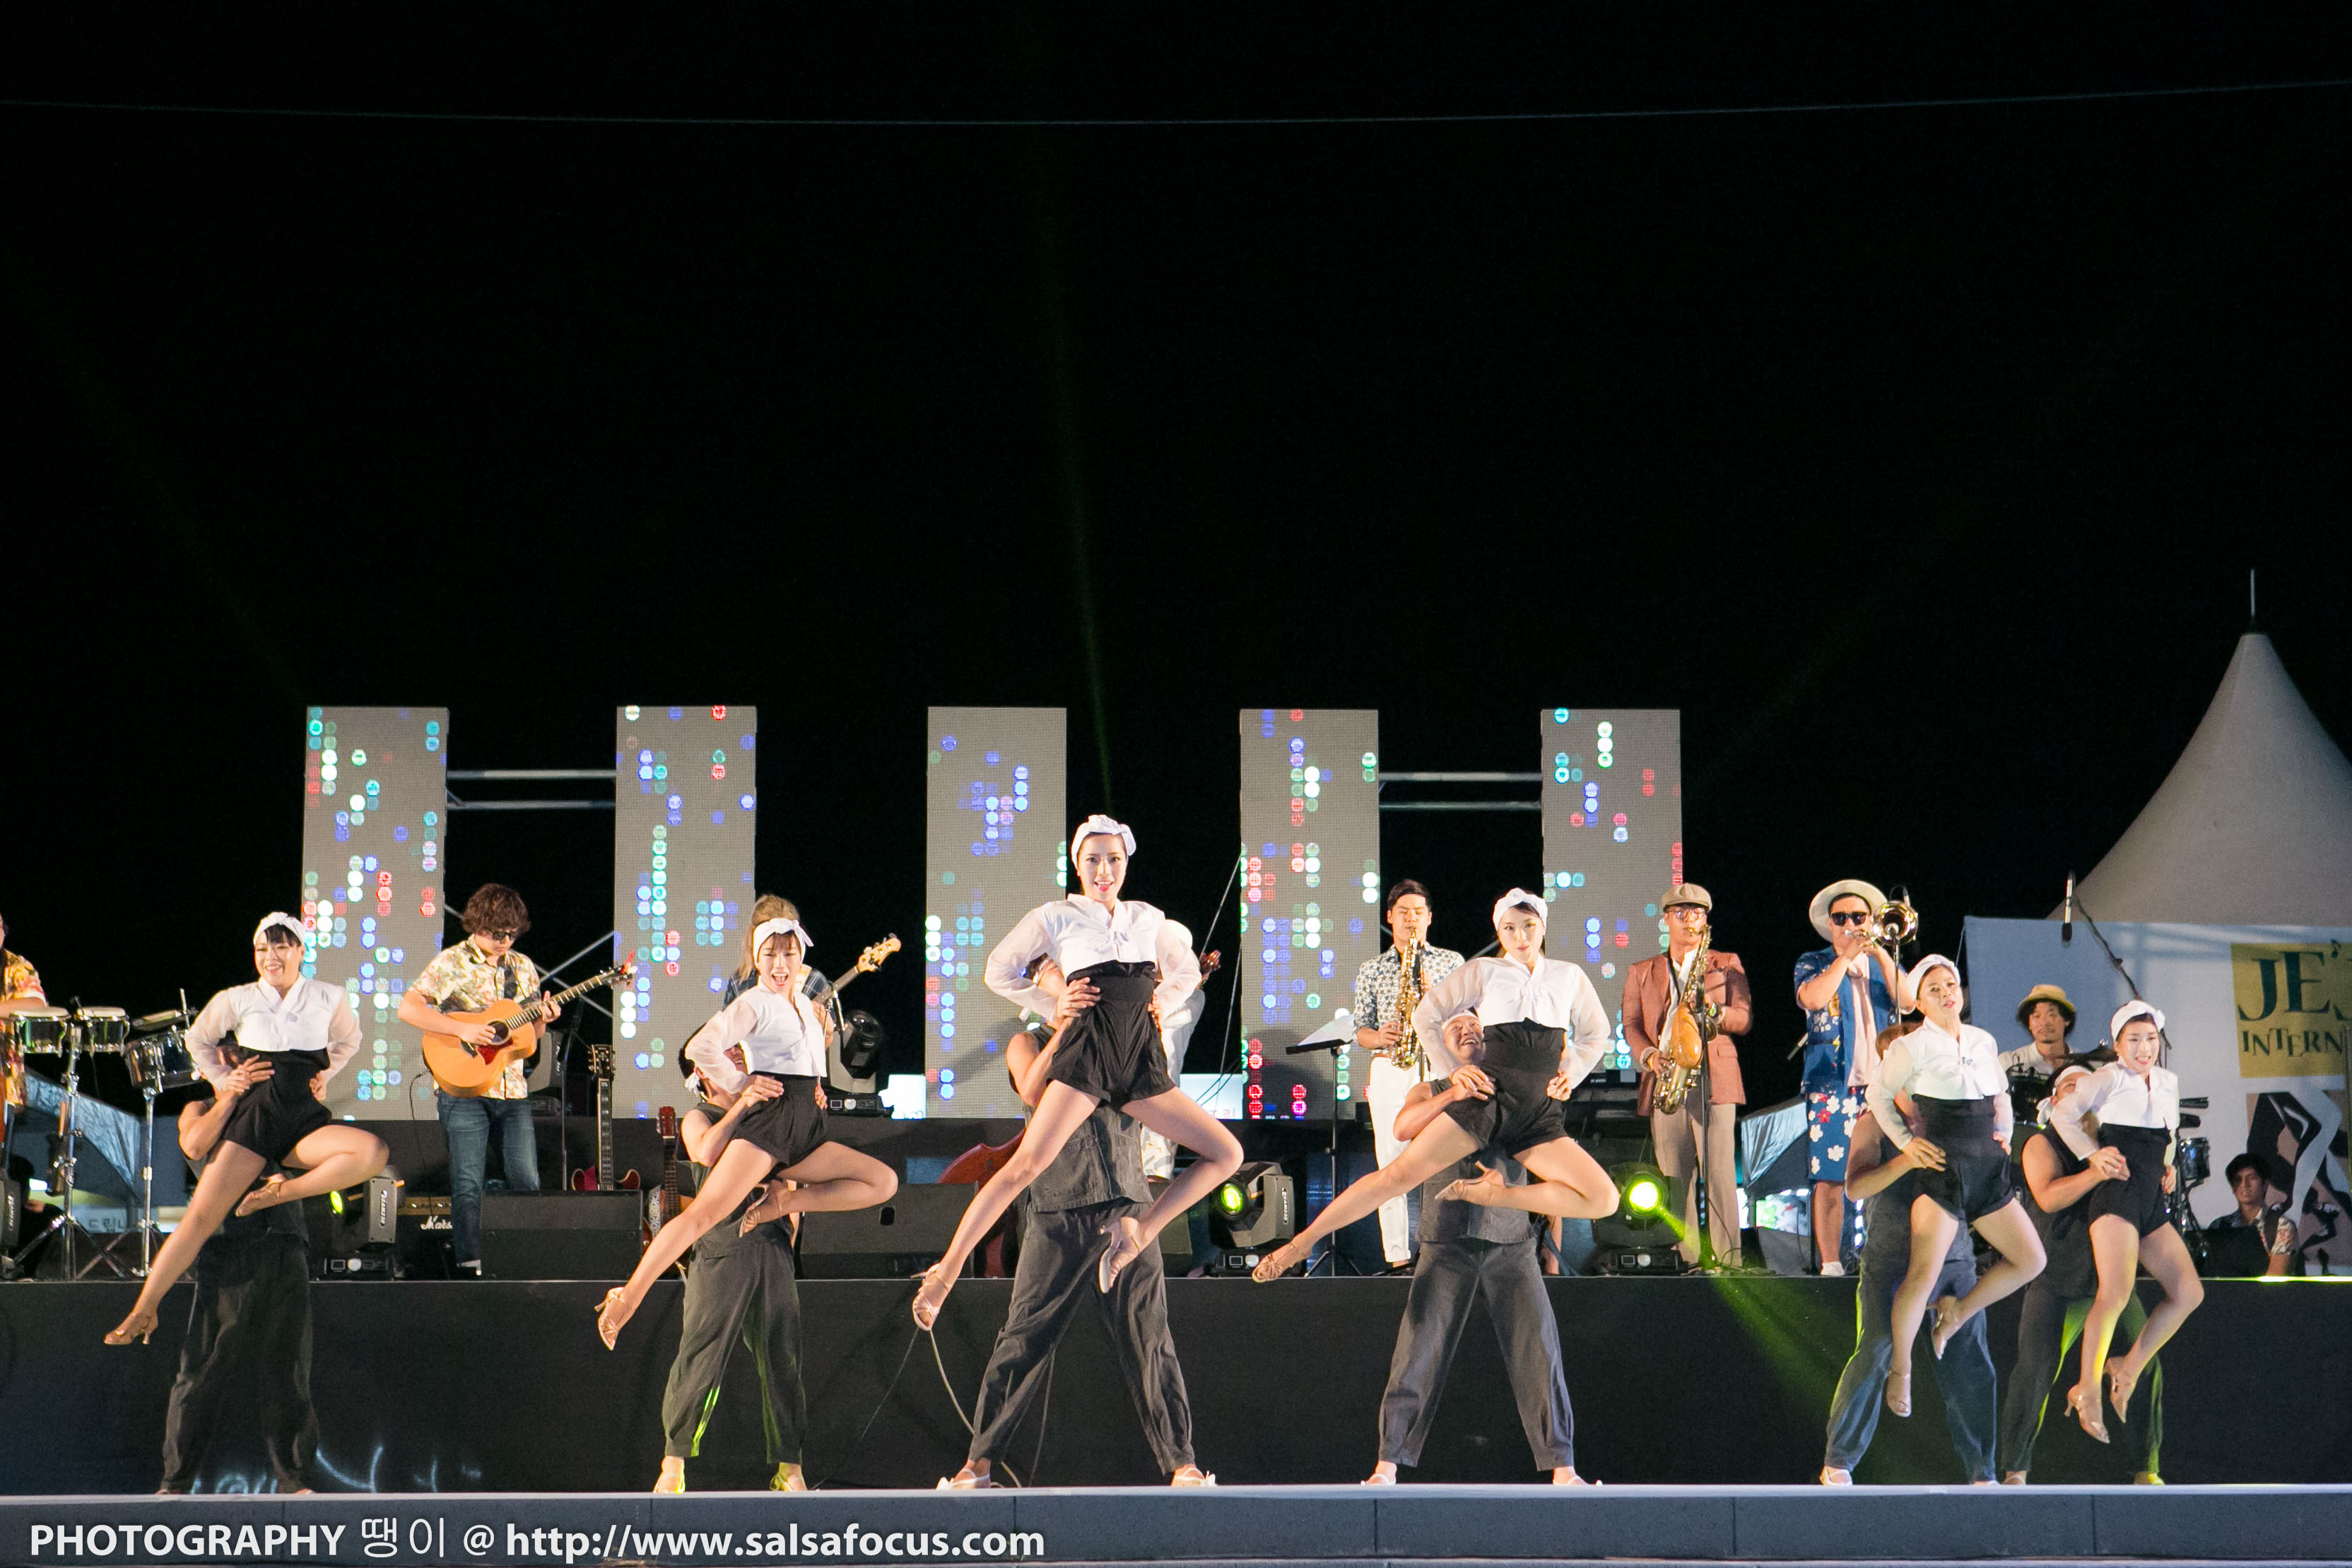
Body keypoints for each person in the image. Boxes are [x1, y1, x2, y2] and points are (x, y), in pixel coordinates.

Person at [919, 816, 1242, 1326]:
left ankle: (1137, 1234)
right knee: (1024, 1166)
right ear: (1077, 865)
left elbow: (1187, 971)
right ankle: (947, 1271)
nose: (1103, 869)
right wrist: (1053, 1003)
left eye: (1113, 859)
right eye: (1092, 860)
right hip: (1087, 1057)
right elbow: (997, 969)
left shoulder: (1147, 918)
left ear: (1126, 863)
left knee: (1227, 1153)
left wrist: (1161, 1001)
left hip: (1139, 1060)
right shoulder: (1057, 915)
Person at [1247, 890, 1620, 1283]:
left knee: (1604, 1199)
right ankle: (1302, 1244)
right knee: (1395, 1176)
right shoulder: (1485, 970)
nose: (1521, 937)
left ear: (1542, 926)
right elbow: (1427, 1014)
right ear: (1499, 932)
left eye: (1529, 926)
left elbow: (1596, 1033)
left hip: (1538, 1113)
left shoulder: (1568, 975)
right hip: (1487, 1100)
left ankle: (1497, 1195)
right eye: (1509, 929)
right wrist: (1453, 1071)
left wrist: (1572, 1073)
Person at [937, 963, 1210, 1488]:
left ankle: (1183, 1462)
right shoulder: (1027, 1040)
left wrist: (1143, 1023)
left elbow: (1156, 1090)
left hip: (1127, 1206)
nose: (1070, 980)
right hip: (1058, 1206)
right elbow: (1032, 1089)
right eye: (1054, 973)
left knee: (1150, 1337)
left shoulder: (1119, 1036)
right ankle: (979, 1463)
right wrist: (1067, 1025)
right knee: (1024, 1338)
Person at [599, 916, 897, 1347]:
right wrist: (742, 1083)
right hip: (771, 1123)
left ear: (801, 959)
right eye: (770, 954)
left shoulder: (807, 1007)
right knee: (702, 1216)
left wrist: (817, 1087)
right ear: (757, 960)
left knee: (883, 1181)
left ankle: (783, 1202)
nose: (780, 963)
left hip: (806, 1126)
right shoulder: (754, 1002)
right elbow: (699, 1047)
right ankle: (626, 1299)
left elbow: (807, 1059)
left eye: (789, 954)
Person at [105, 915, 387, 1345]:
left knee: (372, 1152)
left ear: (300, 951)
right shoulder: (237, 998)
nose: (271, 957)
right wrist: (224, 1080)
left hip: (302, 1117)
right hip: (257, 1116)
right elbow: (197, 1041)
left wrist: (326, 1075)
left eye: (281, 947)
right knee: (200, 1217)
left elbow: (350, 1041)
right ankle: (143, 1311)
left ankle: (279, 1193)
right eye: (262, 949)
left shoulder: (329, 996)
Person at [1365, 1070, 1582, 1485]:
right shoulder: (1432, 1089)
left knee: (1540, 1351)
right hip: (1446, 1239)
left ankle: (1563, 1467)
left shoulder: (1517, 1088)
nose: (1469, 1037)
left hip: (1511, 1241)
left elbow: (1552, 1165)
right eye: (1458, 1033)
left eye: (1478, 1033)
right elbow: (1402, 1128)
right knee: (1417, 1351)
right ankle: (1387, 1464)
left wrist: (1552, 1251)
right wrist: (1451, 1095)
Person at [1865, 955, 2045, 1418]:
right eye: (1935, 989)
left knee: (2031, 1259)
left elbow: (2000, 1094)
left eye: (1951, 985)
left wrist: (2004, 1131)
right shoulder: (1911, 1045)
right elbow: (1876, 1094)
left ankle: (1958, 1313)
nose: (1947, 993)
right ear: (1920, 1002)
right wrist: (1907, 1144)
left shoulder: (1983, 1039)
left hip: (1986, 1166)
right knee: (1922, 1273)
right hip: (1942, 1166)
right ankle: (1901, 1370)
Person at [1821, 1021, 1998, 1486]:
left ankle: (1983, 1471)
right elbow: (1856, 1187)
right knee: (1876, 1348)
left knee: (1971, 1361)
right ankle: (1839, 1462)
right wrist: (1906, 1158)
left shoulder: (1952, 1117)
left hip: (1952, 1260)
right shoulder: (1874, 1124)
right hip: (1892, 1259)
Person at [1997, 1061, 2163, 1485]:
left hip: (2109, 1277)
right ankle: (2015, 1470)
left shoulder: (2115, 1141)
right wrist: (2094, 1172)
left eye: (2084, 1086)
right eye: (2067, 1086)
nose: (2077, 1093)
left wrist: (2164, 1170)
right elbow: (2048, 1198)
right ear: (2053, 1101)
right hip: (2057, 1277)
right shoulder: (2042, 1144)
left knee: (2145, 1360)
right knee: (2034, 1372)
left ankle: (2146, 1469)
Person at [158, 1053, 317, 1495]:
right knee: (203, 1365)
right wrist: (230, 1098)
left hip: (284, 1237)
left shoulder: (279, 1108)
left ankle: (294, 1479)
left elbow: (311, 1161)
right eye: (229, 1061)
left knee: (289, 1366)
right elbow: (194, 1146)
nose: (241, 1068)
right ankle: (175, 1481)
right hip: (227, 1243)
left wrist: (308, 1106)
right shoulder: (201, 1108)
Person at [652, 1056, 810, 1494]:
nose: (739, 1059)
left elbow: (793, 1171)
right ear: (702, 1073)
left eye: (740, 1054)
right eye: (726, 1056)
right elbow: (704, 1151)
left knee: (783, 1357)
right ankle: (673, 1465)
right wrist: (742, 1105)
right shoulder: (700, 1117)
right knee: (701, 1355)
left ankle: (790, 1468)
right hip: (722, 1246)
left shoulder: (767, 1114)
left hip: (771, 1244)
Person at [2050, 1001, 2204, 1444]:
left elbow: (2167, 1135)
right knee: (2115, 1292)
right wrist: (2092, 1155)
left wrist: (2168, 1166)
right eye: (2134, 1040)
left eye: (2151, 1039)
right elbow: (2062, 1115)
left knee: (2189, 1292)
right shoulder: (2108, 1077)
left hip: (2150, 1199)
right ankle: (2088, 1388)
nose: (2144, 1048)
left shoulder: (2168, 1081)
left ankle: (2128, 1367)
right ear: (2117, 1045)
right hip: (2116, 1195)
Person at [394, 883, 563, 1277]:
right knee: (468, 1182)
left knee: (526, 1178)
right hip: (463, 1089)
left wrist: (543, 1019)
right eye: (497, 933)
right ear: (478, 925)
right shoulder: (451, 962)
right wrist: (463, 1029)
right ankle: (471, 1264)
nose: (505, 941)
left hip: (512, 1090)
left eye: (512, 934)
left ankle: (525, 1262)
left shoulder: (522, 967)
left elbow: (527, 1037)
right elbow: (408, 1008)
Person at [1619, 884, 1752, 1270]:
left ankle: (1729, 1262)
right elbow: (1631, 1024)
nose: (1689, 919)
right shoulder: (1641, 971)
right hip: (1667, 1076)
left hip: (1714, 1077)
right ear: (1666, 919)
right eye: (1681, 913)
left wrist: (1716, 1011)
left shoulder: (1725, 963)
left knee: (1720, 1174)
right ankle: (1687, 1260)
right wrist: (1649, 1056)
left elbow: (1743, 1019)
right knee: (1675, 1178)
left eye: (1697, 913)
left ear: (1705, 920)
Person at [1793, 880, 1915, 1275]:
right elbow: (1813, 999)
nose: (1850, 925)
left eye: (1858, 917)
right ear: (1829, 924)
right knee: (1830, 1176)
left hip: (1886, 1087)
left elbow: (1909, 1002)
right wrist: (1844, 958)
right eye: (1841, 918)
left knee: (1888, 1168)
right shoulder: (1813, 961)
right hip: (1831, 1085)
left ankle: (1885, 1257)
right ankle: (1831, 1264)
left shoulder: (1883, 963)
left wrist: (1880, 953)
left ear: (1872, 922)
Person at [1350, 880, 1466, 1272]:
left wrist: (1436, 997)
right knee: (1390, 1164)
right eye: (1403, 912)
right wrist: (1378, 1036)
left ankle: (1442, 1250)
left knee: (1443, 1158)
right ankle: (1398, 1259)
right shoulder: (1372, 968)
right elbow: (1360, 1029)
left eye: (1418, 912)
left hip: (1437, 1064)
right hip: (1390, 1065)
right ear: (1390, 917)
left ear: (1430, 918)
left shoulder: (1450, 961)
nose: (1411, 919)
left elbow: (1466, 1017)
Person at [2199, 1153, 2301, 1279]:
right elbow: (2211, 1274)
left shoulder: (2282, 1226)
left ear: (2265, 1184)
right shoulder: (2219, 1226)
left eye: (2251, 1178)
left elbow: (2275, 1280)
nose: (2244, 1185)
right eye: (2238, 1180)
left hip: (2266, 1292)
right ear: (2233, 1187)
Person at [2000, 984, 2080, 1131]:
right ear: (2029, 1023)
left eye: (2052, 1015)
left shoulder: (2082, 1067)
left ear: (2066, 1020)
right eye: (2036, 1016)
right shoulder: (2008, 1062)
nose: (2044, 1022)